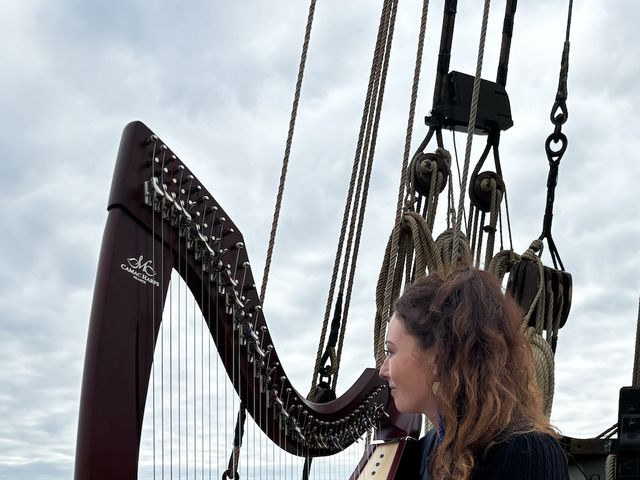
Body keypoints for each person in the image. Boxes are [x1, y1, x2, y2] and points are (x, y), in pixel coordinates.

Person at [379, 267, 570, 480]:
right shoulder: (425, 451)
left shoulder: (530, 454)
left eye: (391, 351)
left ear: (438, 356)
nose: (383, 370)